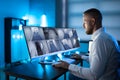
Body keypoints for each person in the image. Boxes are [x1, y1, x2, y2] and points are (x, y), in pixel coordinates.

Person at [53, 8, 120, 80]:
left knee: (72, 76)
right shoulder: (106, 37)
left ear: (92, 21)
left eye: (85, 22)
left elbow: (93, 75)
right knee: (72, 75)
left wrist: (68, 66)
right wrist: (82, 57)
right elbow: (99, 61)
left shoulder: (100, 41)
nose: (83, 26)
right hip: (111, 76)